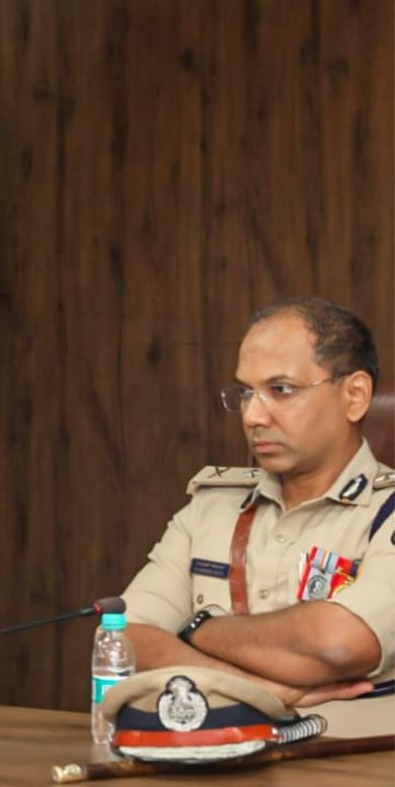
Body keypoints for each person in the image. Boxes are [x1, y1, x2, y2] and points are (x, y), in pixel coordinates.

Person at [121, 297, 393, 734]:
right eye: (245, 393)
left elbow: (338, 645)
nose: (252, 415)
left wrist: (197, 629)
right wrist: (256, 690)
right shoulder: (213, 505)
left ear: (355, 396)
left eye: (280, 390)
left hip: (353, 766)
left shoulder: (388, 513)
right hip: (214, 758)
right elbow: (123, 638)